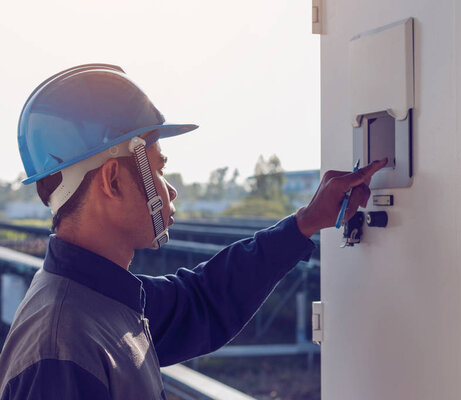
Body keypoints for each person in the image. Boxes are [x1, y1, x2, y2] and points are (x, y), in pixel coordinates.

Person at [0, 64, 386, 399]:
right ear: (113, 180)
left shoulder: (97, 299)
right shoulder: (61, 351)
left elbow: (204, 300)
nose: (170, 190)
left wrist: (305, 223)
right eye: (158, 169)